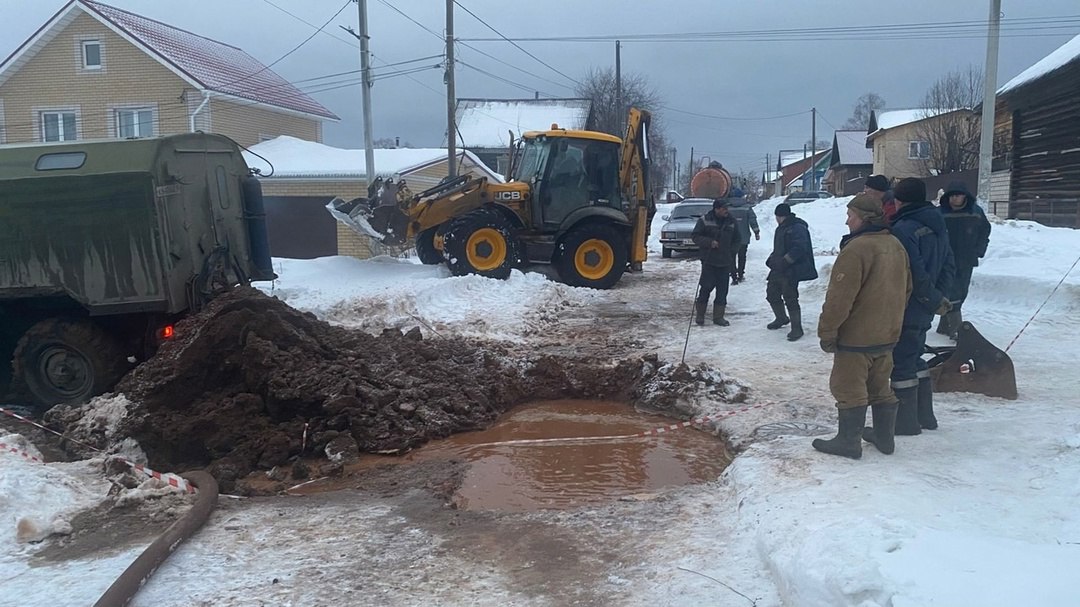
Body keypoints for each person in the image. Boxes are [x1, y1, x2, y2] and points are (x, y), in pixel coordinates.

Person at [813, 194, 912, 459]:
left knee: (848, 388)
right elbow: (907, 289)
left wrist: (827, 332)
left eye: (850, 215)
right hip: (887, 335)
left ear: (864, 218)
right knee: (880, 386)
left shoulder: (857, 249)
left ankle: (848, 442)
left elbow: (839, 299)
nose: (847, 221)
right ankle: (884, 437)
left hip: (856, 338)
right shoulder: (895, 245)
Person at [883, 178, 955, 435]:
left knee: (901, 361)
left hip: (909, 305)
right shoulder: (937, 223)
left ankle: (905, 423)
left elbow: (914, 272)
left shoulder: (903, 228)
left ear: (898, 201)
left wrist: (927, 298)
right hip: (928, 305)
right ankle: (926, 416)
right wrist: (939, 299)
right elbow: (949, 264)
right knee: (916, 358)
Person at [937, 181, 991, 339]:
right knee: (951, 291)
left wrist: (979, 249)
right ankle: (956, 329)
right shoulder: (940, 213)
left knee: (961, 291)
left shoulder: (975, 212)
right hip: (945, 258)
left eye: (958, 196)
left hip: (966, 258)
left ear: (964, 197)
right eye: (952, 196)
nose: (955, 199)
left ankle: (944, 325)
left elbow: (985, 230)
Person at [765, 203, 818, 341]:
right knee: (772, 294)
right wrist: (772, 259)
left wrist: (785, 261)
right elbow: (779, 248)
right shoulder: (782, 228)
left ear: (780, 216)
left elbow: (800, 248)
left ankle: (797, 328)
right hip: (778, 268)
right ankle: (781, 318)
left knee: (790, 297)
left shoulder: (797, 227)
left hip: (791, 269)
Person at [691, 198, 739, 326]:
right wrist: (709, 243)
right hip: (709, 261)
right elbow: (695, 236)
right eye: (724, 208)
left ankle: (718, 317)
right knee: (705, 288)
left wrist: (731, 252)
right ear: (716, 209)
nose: (726, 211)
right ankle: (700, 315)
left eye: (727, 208)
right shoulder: (705, 220)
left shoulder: (732, 221)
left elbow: (738, 240)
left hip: (725, 262)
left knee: (722, 291)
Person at [726, 187, 760, 285]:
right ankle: (740, 275)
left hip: (730, 238)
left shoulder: (727, 208)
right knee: (742, 256)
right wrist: (756, 232)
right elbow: (753, 220)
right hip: (743, 237)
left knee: (731, 257)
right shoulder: (747, 207)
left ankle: (734, 276)